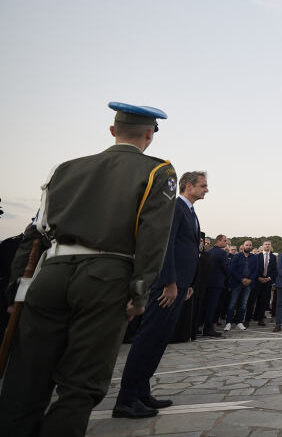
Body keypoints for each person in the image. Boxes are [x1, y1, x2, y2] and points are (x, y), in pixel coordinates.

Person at [0, 102, 175, 436]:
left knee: (26, 377)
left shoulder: (64, 169)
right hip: (106, 276)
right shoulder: (157, 172)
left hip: (51, 274)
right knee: (81, 382)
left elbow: (34, 233)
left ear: (112, 130)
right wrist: (140, 292)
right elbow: (153, 238)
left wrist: (16, 290)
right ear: (150, 135)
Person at [113, 170, 208, 418]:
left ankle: (142, 392)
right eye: (202, 185)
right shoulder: (175, 207)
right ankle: (126, 399)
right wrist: (169, 282)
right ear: (188, 186)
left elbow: (187, 249)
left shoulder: (190, 212)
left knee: (158, 341)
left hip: (180, 285)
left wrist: (188, 283)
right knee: (148, 339)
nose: (206, 189)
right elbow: (165, 245)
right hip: (166, 287)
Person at [225, 239, 256, 331]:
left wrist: (250, 279)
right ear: (243, 246)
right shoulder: (237, 256)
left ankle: (239, 322)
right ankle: (228, 322)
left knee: (243, 304)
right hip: (237, 283)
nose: (248, 247)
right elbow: (232, 269)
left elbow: (256, 270)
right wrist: (241, 279)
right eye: (247, 245)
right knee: (232, 303)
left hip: (248, 284)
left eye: (250, 245)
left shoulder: (254, 257)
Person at [203, 234, 230, 336]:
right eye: (225, 240)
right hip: (216, 284)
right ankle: (208, 329)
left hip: (206, 283)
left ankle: (202, 326)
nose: (226, 242)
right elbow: (226, 268)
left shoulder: (208, 252)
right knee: (211, 307)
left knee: (205, 306)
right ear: (219, 241)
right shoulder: (222, 253)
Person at [249, 241, 276, 327]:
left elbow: (274, 270)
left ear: (270, 246)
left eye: (269, 244)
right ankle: (247, 319)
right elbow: (254, 268)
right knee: (252, 300)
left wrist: (269, 278)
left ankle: (260, 319)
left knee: (263, 301)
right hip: (257, 281)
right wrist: (258, 277)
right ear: (263, 246)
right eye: (266, 244)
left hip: (267, 282)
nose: (267, 246)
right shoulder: (257, 256)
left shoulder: (273, 257)